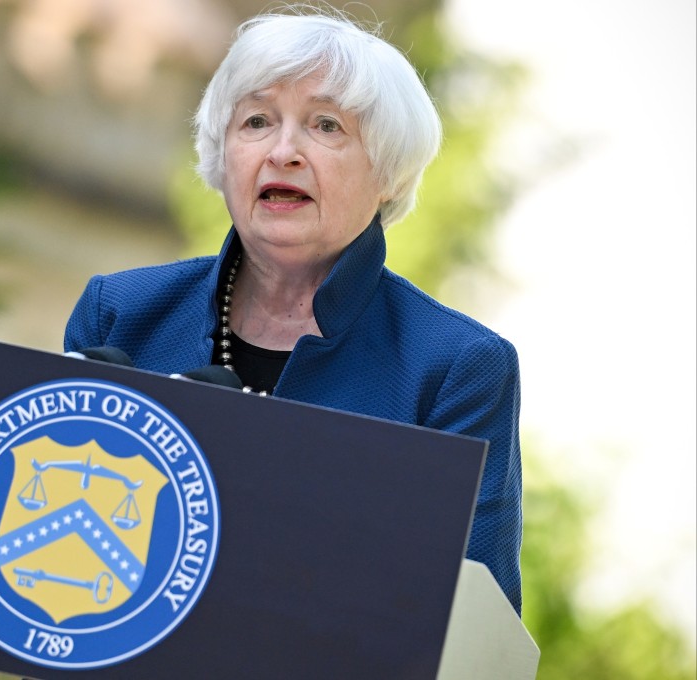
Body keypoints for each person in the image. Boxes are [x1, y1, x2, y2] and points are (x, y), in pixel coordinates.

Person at [64, 6, 523, 614]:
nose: (283, 151)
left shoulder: (455, 369)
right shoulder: (120, 315)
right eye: (255, 120)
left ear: (387, 169)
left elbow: (475, 626)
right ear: (222, 154)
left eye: (326, 126)